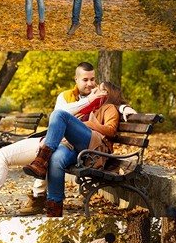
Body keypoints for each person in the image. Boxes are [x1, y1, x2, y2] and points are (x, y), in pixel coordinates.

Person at [0, 61, 103, 217]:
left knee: (54, 155)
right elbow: (61, 113)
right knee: (3, 154)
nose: (90, 83)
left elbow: (118, 104)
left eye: (92, 79)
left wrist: (124, 108)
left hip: (76, 147)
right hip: (52, 140)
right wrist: (90, 99)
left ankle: (39, 193)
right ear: (76, 80)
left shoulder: (102, 94)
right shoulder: (65, 96)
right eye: (85, 80)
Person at [22, 84, 122, 217]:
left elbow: (111, 130)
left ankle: (41, 160)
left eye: (100, 88)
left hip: (95, 148)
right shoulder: (92, 107)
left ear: (108, 93)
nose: (94, 89)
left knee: (58, 114)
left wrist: (86, 124)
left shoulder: (109, 108)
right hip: (78, 148)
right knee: (56, 158)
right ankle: (54, 209)